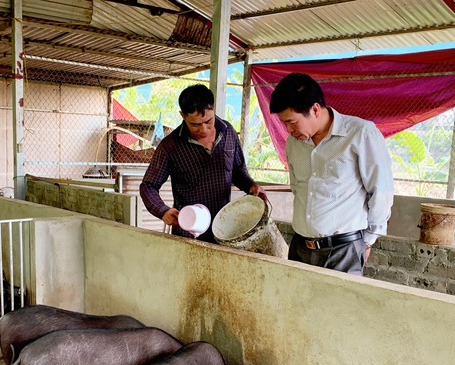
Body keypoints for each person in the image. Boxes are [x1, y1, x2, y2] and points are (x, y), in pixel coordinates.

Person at [269, 73, 394, 275]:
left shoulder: (361, 134)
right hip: (300, 247)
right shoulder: (294, 143)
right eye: (284, 123)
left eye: (292, 122)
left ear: (315, 109)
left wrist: (368, 241)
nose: (288, 129)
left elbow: (381, 192)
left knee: (339, 306)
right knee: (296, 305)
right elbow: (297, 188)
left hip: (343, 251)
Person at [140, 84, 266, 244]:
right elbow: (148, 185)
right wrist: (162, 210)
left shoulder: (228, 132)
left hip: (225, 229)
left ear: (213, 110)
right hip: (188, 231)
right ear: (182, 115)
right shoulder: (170, 146)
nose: (204, 129)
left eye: (208, 121)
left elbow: (237, 170)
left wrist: (250, 185)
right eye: (195, 124)